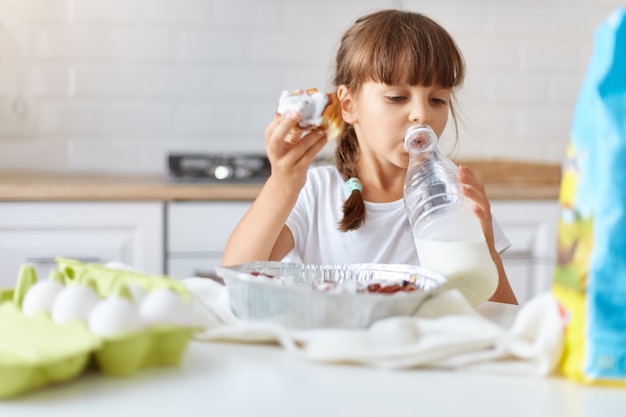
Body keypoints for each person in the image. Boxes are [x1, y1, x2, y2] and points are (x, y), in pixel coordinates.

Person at [222, 9, 518, 305]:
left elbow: (504, 314)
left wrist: (486, 248)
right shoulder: (315, 192)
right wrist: (283, 185)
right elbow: (236, 275)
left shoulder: (451, 198)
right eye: (397, 98)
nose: (422, 114)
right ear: (349, 105)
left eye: (437, 100)